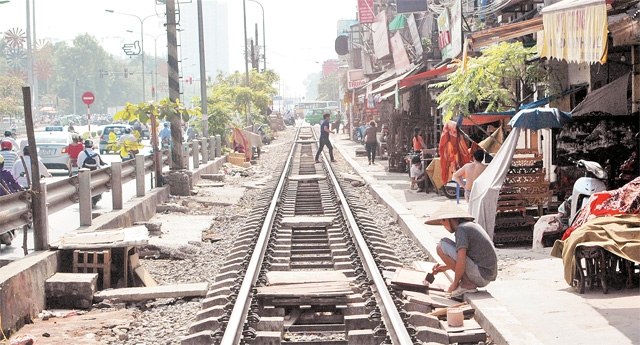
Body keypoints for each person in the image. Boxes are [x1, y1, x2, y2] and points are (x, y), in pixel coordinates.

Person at [424, 203, 497, 300]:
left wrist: (454, 284)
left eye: (443, 222)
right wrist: (446, 267)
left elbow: (461, 259)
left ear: (448, 219)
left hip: (482, 275)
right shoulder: (467, 226)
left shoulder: (461, 229)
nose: (444, 226)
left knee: (441, 246)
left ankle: (467, 283)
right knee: (444, 243)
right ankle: (465, 282)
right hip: (486, 274)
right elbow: (466, 257)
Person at [77, 140, 106, 207]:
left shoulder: (81, 153)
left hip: (83, 174)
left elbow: (79, 165)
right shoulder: (96, 154)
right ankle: (96, 197)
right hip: (95, 174)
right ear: (92, 146)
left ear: (85, 145)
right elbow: (98, 166)